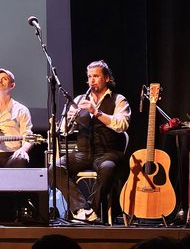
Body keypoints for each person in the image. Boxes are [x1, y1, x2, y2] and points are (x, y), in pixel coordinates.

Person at [48, 60, 130, 222]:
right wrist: (68, 119)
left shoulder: (119, 99)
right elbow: (64, 131)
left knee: (107, 168)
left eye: (96, 76)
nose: (92, 80)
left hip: (108, 153)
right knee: (54, 169)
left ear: (106, 78)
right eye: (90, 77)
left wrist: (97, 112)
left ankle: (92, 209)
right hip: (83, 153)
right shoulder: (79, 100)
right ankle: (81, 208)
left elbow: (122, 125)